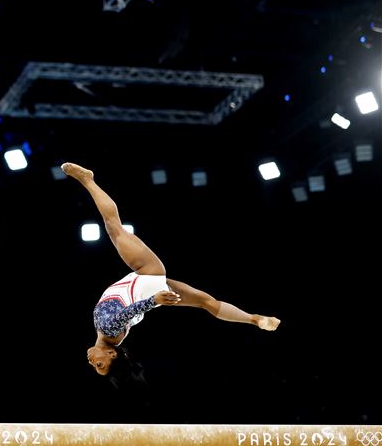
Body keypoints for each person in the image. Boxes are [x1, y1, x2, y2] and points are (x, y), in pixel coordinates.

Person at [61, 162, 280, 377]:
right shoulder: (107, 330)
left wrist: (154, 300)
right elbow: (128, 312)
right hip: (147, 273)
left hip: (154, 286)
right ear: (112, 355)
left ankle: (255, 319)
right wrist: (154, 301)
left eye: (95, 368)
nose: (93, 363)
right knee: (114, 228)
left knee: (206, 302)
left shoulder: (113, 338)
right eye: (100, 365)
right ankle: (88, 179)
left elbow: (129, 314)